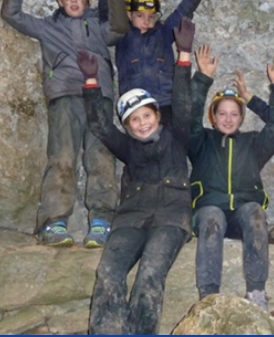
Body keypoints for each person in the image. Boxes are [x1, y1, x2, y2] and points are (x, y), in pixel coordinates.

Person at [1, 0, 127, 248]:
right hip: (64, 96)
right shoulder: (47, 27)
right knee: (62, 157)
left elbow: (120, 28)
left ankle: (102, 222)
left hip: (100, 97)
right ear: (59, 0)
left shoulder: (99, 25)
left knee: (101, 159)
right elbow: (11, 15)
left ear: (87, 1)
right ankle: (54, 223)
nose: (73, 1)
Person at [83, 18, 196, 335]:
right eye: (134, 120)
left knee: (150, 273)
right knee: (109, 271)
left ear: (157, 115)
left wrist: (184, 55)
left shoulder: (177, 136)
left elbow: (185, 104)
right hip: (131, 218)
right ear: (129, 126)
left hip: (171, 217)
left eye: (146, 115)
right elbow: (101, 127)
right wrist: (91, 82)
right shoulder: (128, 147)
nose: (142, 123)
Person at [187, 46, 274, 312]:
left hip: (241, 214)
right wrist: (202, 79)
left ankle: (257, 292)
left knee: (256, 212)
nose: (228, 118)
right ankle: (209, 298)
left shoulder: (252, 143)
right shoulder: (202, 141)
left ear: (242, 118)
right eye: (221, 113)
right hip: (210, 211)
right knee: (212, 217)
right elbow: (188, 119)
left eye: (234, 114)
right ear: (213, 116)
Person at [99, 0, 221, 127]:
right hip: (136, 106)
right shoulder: (122, 35)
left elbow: (184, 11)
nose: (147, 21)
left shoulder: (164, 33)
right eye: (140, 16)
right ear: (129, 14)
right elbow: (108, 16)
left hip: (166, 106)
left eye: (151, 16)